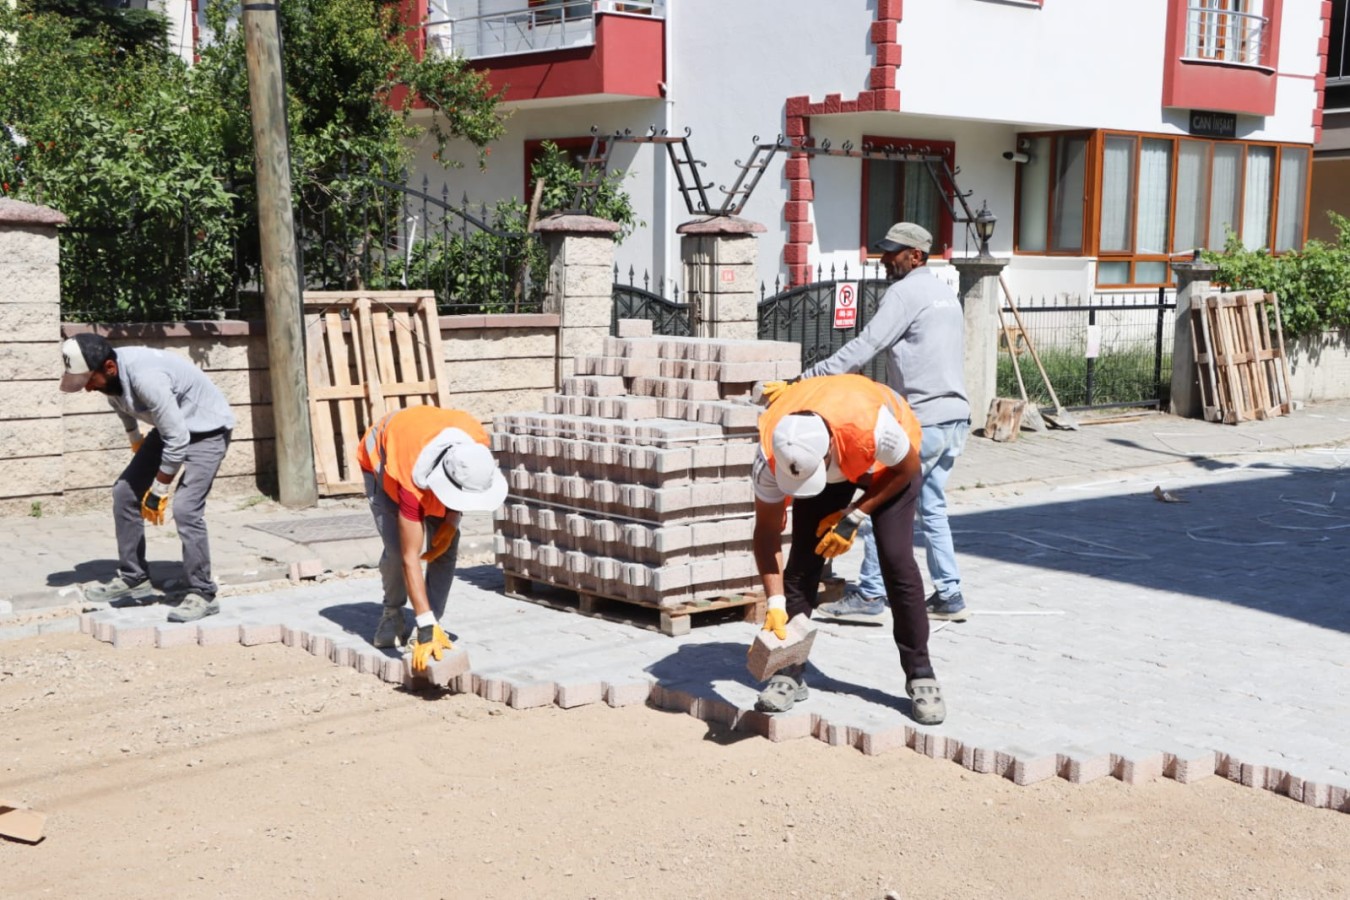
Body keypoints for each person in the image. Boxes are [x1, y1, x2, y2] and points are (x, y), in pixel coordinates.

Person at [765, 222, 970, 623]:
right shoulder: (946, 294)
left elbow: (865, 346)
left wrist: (806, 379)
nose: (884, 258)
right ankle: (950, 592)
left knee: (881, 501)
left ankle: (872, 594)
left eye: (894, 251)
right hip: (955, 417)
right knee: (932, 506)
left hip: (923, 417)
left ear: (916, 256)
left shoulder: (905, 292)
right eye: (884, 249)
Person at [750, 373, 946, 725]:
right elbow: (765, 533)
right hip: (834, 453)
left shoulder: (873, 427)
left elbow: (908, 469)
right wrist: (775, 604)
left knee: (896, 560)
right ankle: (788, 670)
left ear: (827, 453)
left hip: (890, 465)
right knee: (802, 564)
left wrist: (853, 516)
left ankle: (921, 674)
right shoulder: (771, 452)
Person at [60, 333, 235, 622]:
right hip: (170, 429)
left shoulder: (147, 378)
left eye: (89, 381)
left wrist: (159, 488)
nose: (88, 389)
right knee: (124, 493)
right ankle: (134, 577)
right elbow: (123, 407)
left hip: (207, 431)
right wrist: (135, 439)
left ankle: (203, 592)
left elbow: (178, 440)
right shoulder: (111, 379)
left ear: (109, 368)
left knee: (186, 509)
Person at [357, 404, 507, 672]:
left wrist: (451, 520)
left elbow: (461, 490)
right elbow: (409, 557)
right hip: (384, 460)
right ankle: (394, 614)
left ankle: (430, 623)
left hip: (426, 443)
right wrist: (425, 623)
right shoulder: (411, 483)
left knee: (445, 547)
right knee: (396, 550)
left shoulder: (475, 448)